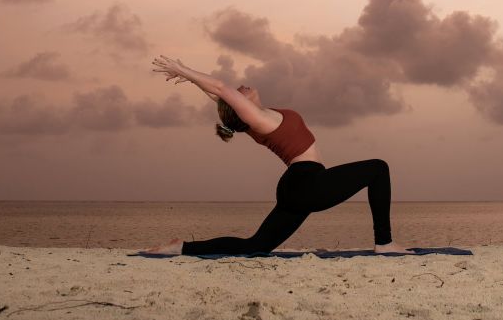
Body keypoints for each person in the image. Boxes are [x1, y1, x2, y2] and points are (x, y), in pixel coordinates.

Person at [141, 55, 413, 255]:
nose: (241, 87)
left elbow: (220, 97)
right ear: (241, 107)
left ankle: (181, 248)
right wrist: (183, 70)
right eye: (239, 94)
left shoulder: (255, 119)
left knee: (256, 246)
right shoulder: (257, 120)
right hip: (306, 183)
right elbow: (222, 90)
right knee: (378, 168)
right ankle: (384, 242)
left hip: (298, 187)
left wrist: (193, 80)